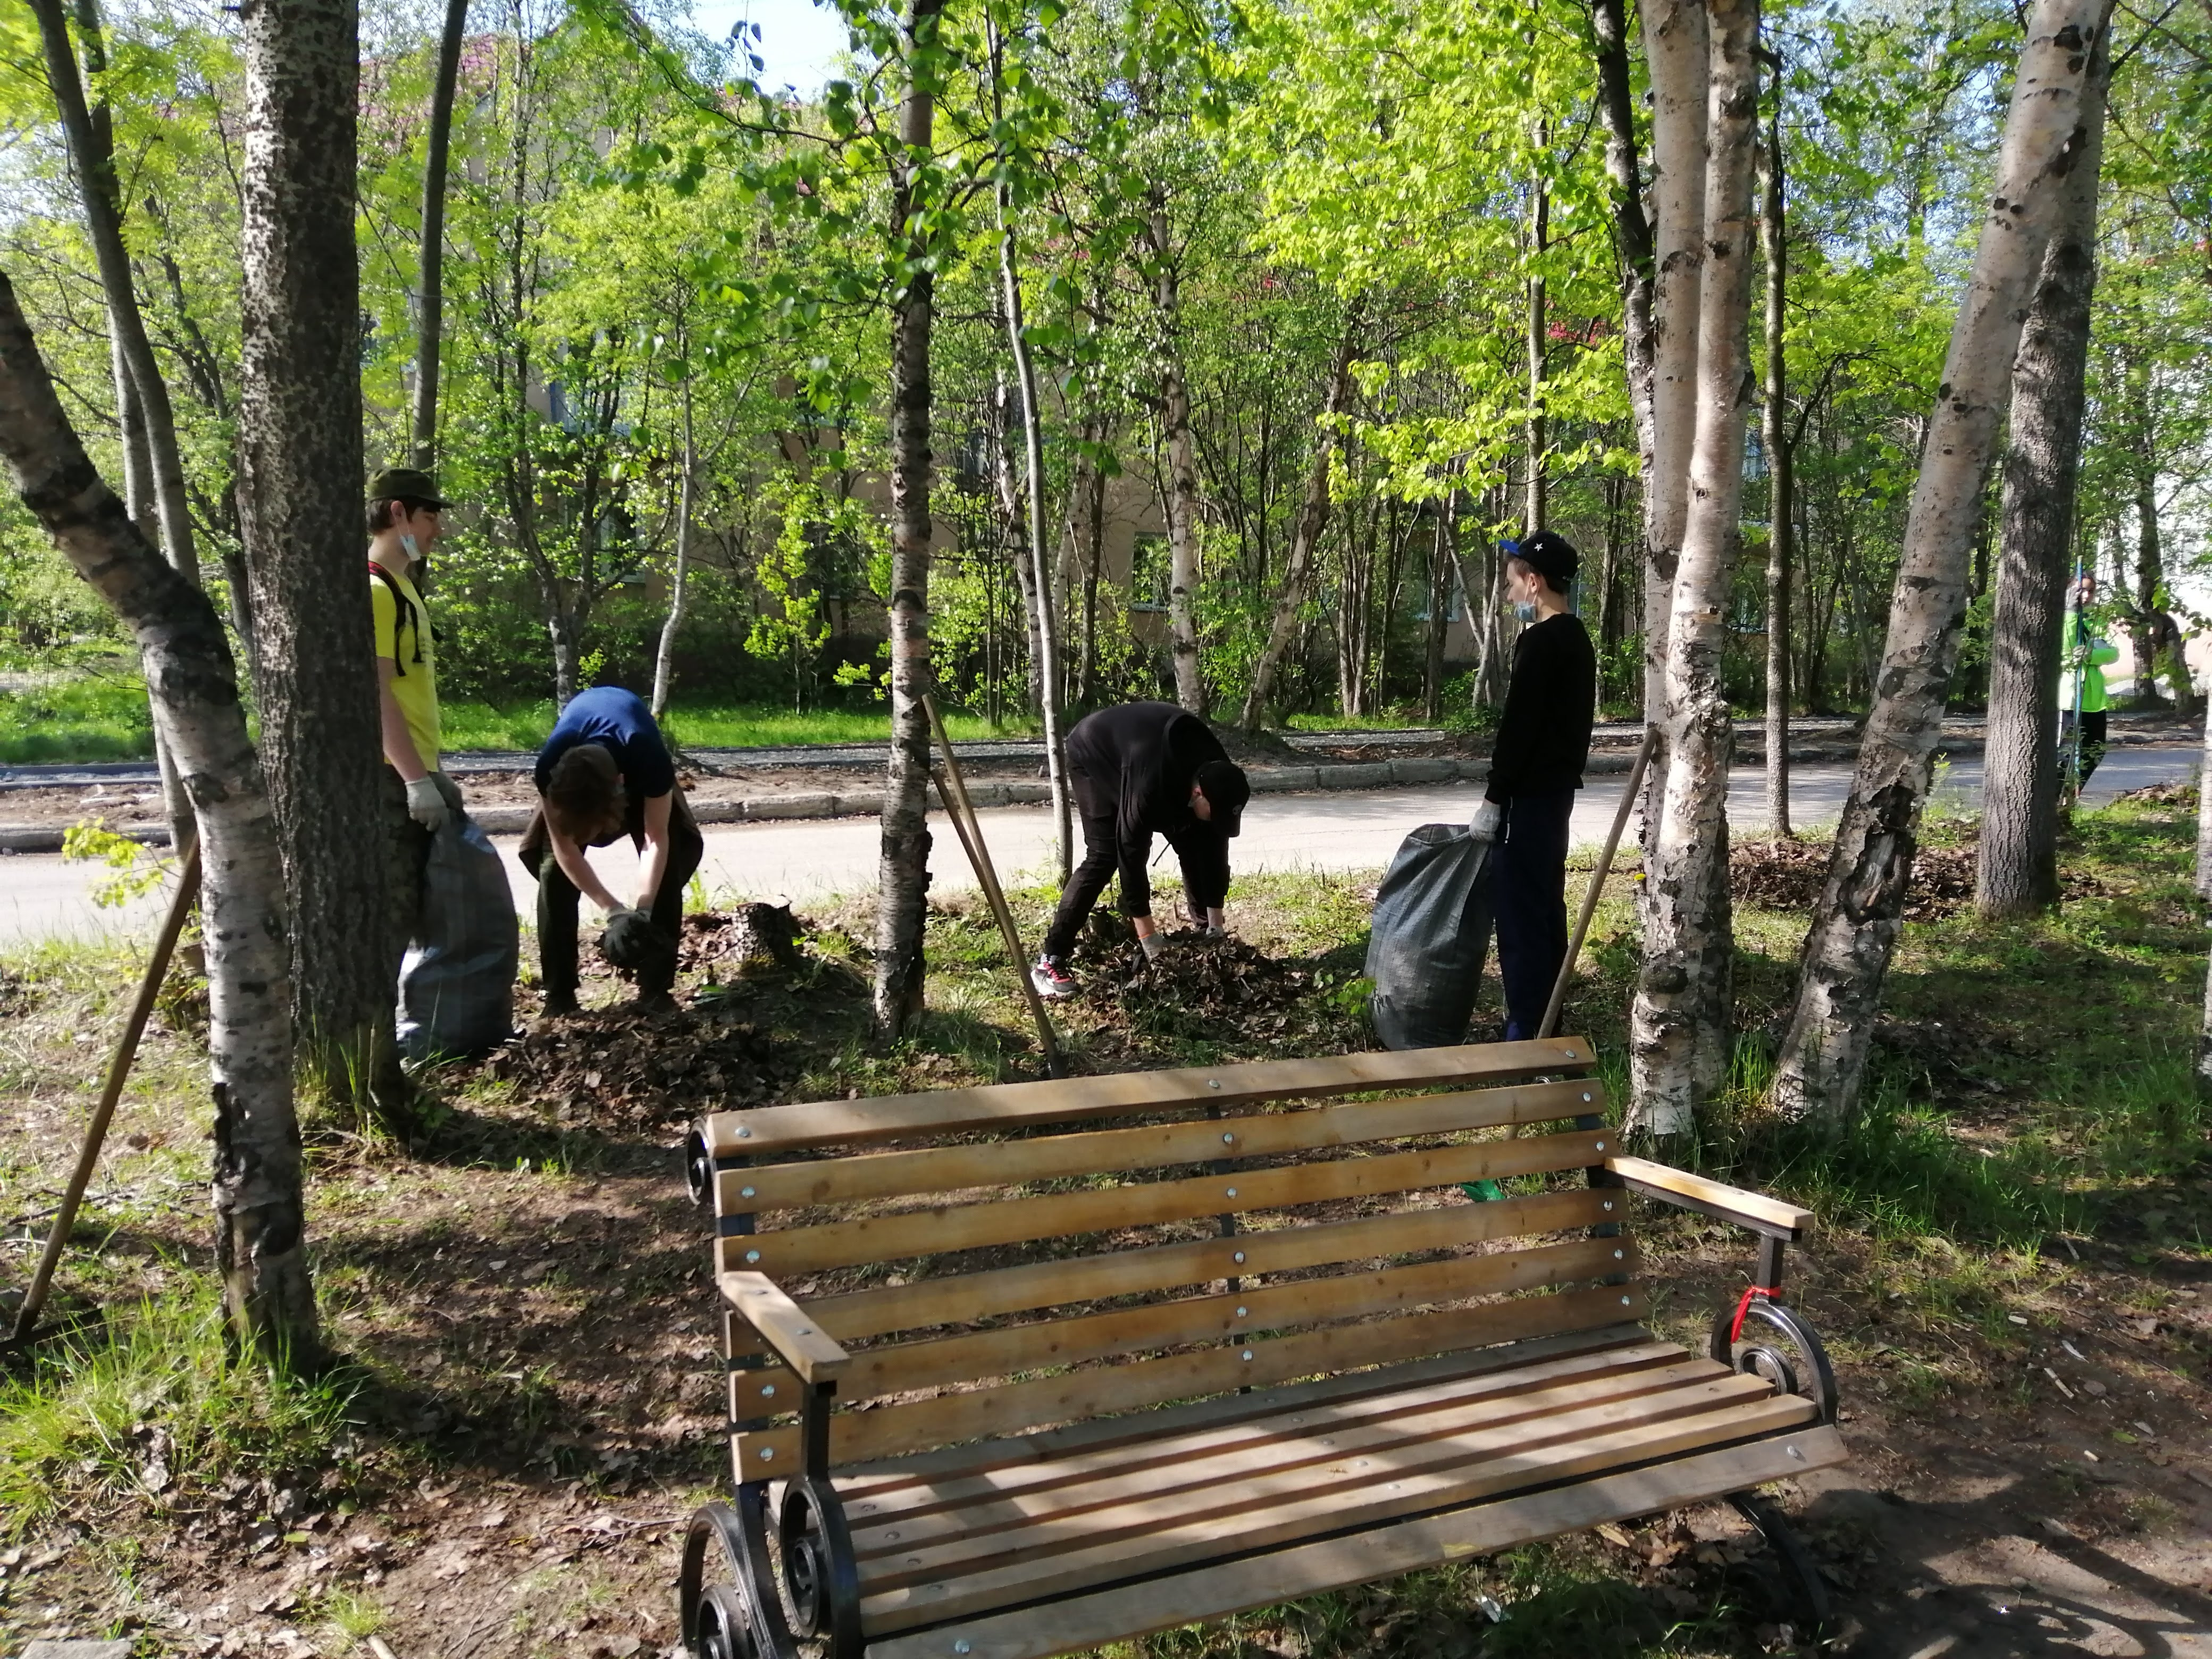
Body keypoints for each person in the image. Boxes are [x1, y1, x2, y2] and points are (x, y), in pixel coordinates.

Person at [1030, 701, 1252, 1000]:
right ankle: (1050, 960)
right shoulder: (1149, 783)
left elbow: (1214, 851)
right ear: (1198, 793)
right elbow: (1130, 854)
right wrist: (1150, 939)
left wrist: (1216, 928)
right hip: (1095, 751)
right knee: (1104, 854)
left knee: (1197, 837)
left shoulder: (1219, 774)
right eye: (1216, 812)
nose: (1219, 821)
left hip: (1156, 758)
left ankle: (1204, 933)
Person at [1471, 530, 1596, 1042]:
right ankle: (1549, 1021)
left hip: (1527, 799)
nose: (1508, 593)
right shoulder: (1578, 638)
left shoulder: (1540, 642)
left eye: (1511, 583)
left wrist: (1494, 797)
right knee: (1547, 908)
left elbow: (1518, 729)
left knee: (1521, 915)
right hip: (1557, 796)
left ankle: (1525, 1031)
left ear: (1535, 581)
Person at [521, 685, 705, 1017]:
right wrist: (614, 911)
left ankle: (655, 990)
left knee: (667, 866)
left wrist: (644, 911)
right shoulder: (549, 769)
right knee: (552, 873)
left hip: (632, 766)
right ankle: (559, 996)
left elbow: (656, 839)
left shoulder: (648, 758)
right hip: (578, 779)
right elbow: (565, 848)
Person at [370, 466, 463, 982]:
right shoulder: (377, 591)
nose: (438, 530)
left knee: (413, 918)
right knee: (392, 918)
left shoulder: (403, 589)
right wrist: (413, 780)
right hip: (390, 783)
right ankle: (376, 1046)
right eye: (431, 516)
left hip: (414, 773)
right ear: (398, 512)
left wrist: (431, 772)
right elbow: (375, 692)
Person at [2060, 573, 2118, 792]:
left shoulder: (2096, 622)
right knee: (2065, 754)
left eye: (2090, 591)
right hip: (2068, 698)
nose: (2086, 596)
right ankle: (2056, 798)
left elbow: (2112, 653)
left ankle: (2072, 794)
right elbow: (2066, 651)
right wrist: (2071, 613)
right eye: (2080, 590)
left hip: (2094, 700)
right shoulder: (2064, 619)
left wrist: (2089, 655)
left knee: (2095, 751)